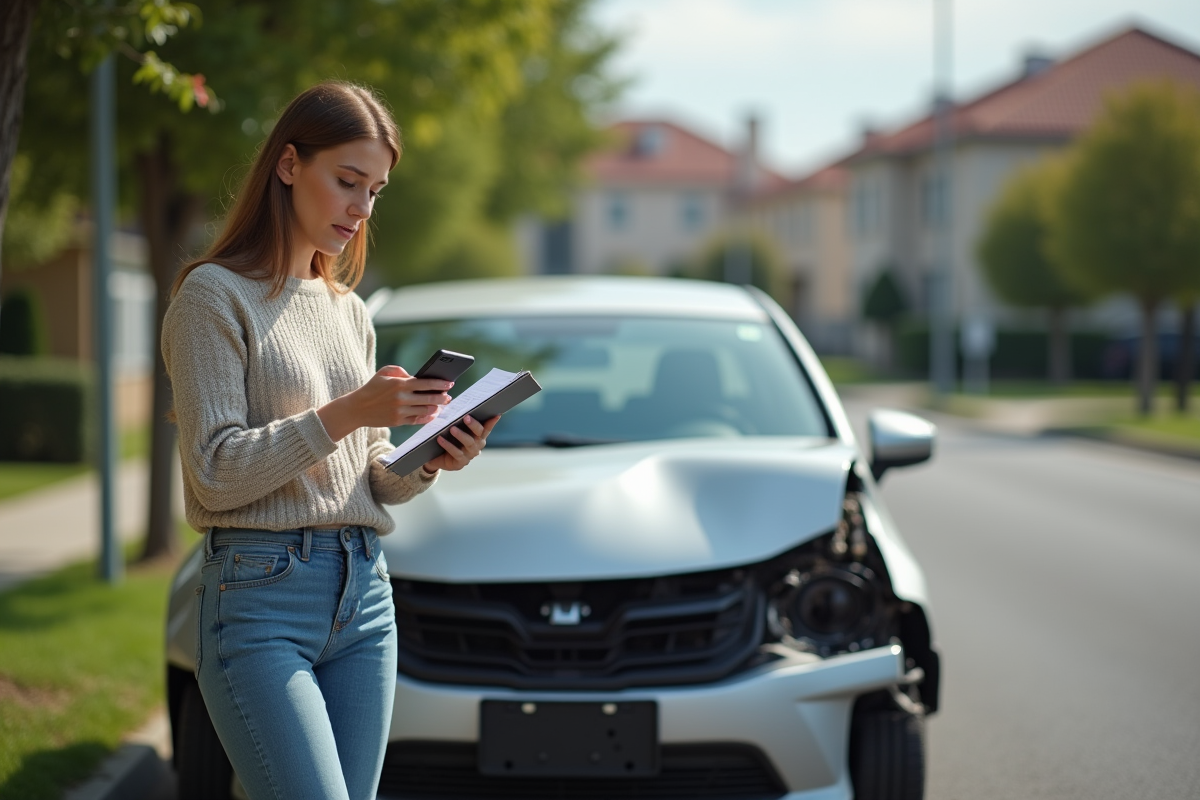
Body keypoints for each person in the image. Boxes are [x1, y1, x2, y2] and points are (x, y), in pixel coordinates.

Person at [161, 81, 498, 800]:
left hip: (365, 595)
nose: (361, 208)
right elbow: (216, 471)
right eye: (348, 182)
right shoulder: (212, 298)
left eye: (375, 190)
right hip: (258, 599)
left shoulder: (350, 312)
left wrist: (431, 457)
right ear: (288, 165)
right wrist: (350, 410)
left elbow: (371, 478)